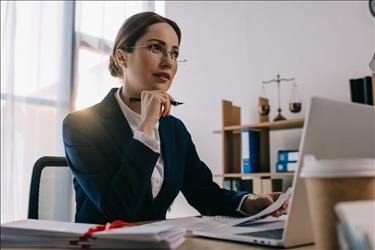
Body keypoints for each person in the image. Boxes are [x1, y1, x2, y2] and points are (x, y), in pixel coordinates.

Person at [63, 12, 288, 224]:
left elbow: (205, 195)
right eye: (155, 48)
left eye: (174, 53)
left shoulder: (174, 129)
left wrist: (250, 202)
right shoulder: (81, 125)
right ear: (122, 57)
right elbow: (119, 210)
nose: (168, 62)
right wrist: (147, 126)